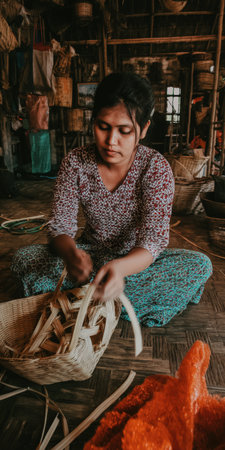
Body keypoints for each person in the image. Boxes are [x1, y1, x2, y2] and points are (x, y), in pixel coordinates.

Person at [11, 72, 212, 327]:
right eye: (103, 127)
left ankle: (82, 299)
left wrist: (120, 268)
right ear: (93, 120)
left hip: (134, 263)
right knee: (24, 258)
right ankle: (109, 300)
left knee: (199, 265)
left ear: (144, 129)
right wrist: (72, 254)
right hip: (89, 255)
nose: (110, 141)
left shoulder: (155, 167)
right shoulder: (76, 162)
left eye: (124, 131)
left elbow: (153, 240)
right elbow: (60, 226)